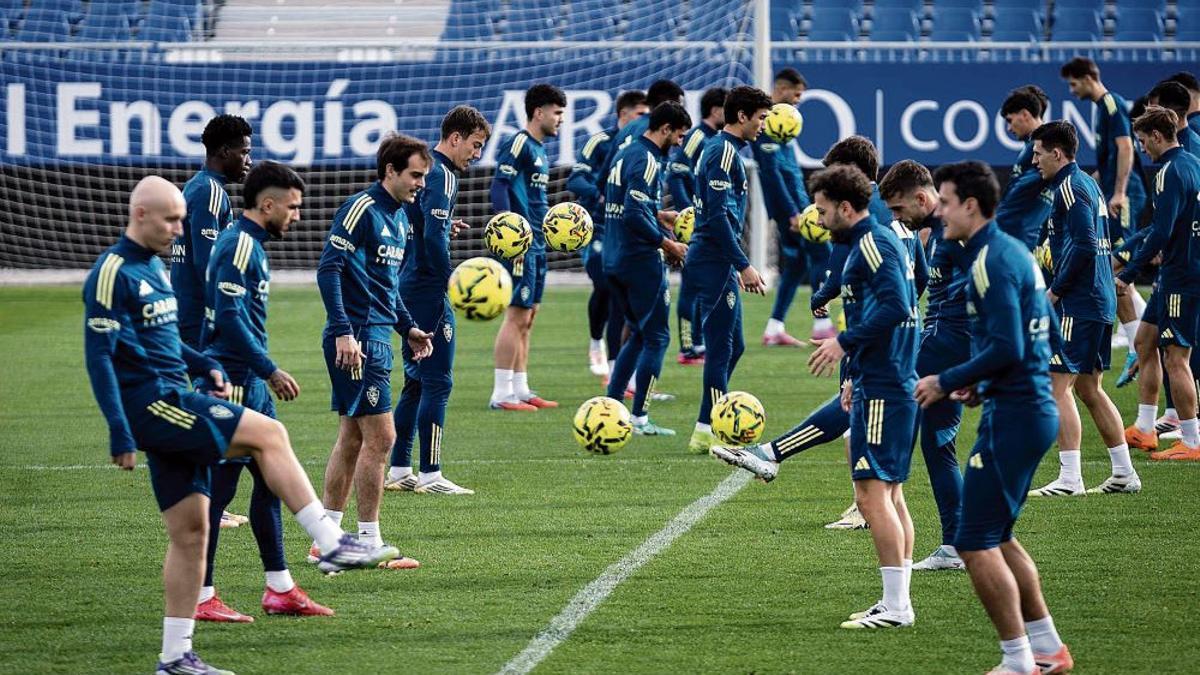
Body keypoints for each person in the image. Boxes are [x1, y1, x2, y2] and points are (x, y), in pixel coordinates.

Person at [84, 177, 399, 675]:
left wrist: (201, 362)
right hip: (154, 406)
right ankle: (331, 541)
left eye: (182, 220)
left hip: (183, 392)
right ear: (139, 214)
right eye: (170, 220)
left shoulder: (154, 267)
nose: (180, 230)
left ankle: (175, 657)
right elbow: (99, 355)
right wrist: (119, 430)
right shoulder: (113, 271)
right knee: (268, 437)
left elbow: (164, 342)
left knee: (191, 531)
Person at [717, 164, 921, 628]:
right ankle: (897, 601)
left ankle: (896, 606)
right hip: (879, 378)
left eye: (824, 211)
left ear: (846, 208)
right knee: (889, 495)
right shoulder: (870, 242)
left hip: (886, 386)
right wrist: (854, 372)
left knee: (872, 497)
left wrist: (843, 344)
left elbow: (897, 306)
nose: (820, 220)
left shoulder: (872, 243)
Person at [915, 161, 1073, 675]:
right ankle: (1047, 649)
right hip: (1026, 407)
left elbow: (1008, 345)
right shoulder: (1012, 252)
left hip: (1017, 415)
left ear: (971, 205)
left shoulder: (988, 261)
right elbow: (1042, 330)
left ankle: (1017, 659)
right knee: (998, 535)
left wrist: (945, 379)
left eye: (945, 201)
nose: (939, 211)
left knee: (972, 540)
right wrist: (982, 385)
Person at [194, 161, 331, 623]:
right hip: (230, 384)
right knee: (218, 492)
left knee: (270, 483)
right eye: (292, 207)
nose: (297, 215)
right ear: (267, 204)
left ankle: (280, 588)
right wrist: (269, 370)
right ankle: (201, 595)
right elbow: (229, 319)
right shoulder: (237, 244)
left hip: (249, 385)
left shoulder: (251, 244)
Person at [312, 133, 434, 567]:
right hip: (359, 339)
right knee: (382, 439)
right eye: (415, 175)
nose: (421, 184)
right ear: (390, 171)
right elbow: (328, 268)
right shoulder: (362, 208)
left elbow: (387, 287)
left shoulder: (400, 218)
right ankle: (366, 540)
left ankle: (326, 538)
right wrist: (343, 331)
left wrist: (409, 327)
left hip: (377, 335)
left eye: (424, 177)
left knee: (352, 438)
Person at [1026, 121, 1140, 496]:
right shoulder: (1087, 184)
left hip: (1079, 301)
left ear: (1057, 153)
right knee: (1090, 388)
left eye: (1038, 153)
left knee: (1056, 384)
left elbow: (1087, 245)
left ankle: (1070, 478)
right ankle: (1124, 472)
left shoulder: (1070, 187)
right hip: (1098, 298)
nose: (1034, 160)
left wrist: (1056, 291)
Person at [386, 106, 491, 495]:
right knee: (438, 381)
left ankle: (399, 469)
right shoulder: (442, 174)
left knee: (416, 382)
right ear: (456, 138)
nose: (476, 154)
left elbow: (422, 225)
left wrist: (446, 226)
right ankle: (431, 475)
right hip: (427, 289)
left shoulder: (425, 172)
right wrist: (452, 280)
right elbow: (430, 235)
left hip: (408, 283)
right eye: (475, 145)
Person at [879, 160, 972, 572]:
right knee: (938, 446)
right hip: (943, 342)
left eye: (899, 209)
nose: (897, 218)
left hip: (948, 343)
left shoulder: (955, 231)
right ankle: (956, 545)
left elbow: (985, 286)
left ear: (921, 197)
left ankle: (776, 451)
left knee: (877, 389)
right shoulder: (932, 232)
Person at [170, 114, 253, 529]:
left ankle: (207, 503)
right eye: (244, 152)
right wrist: (223, 314)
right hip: (198, 318)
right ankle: (203, 504)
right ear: (224, 152)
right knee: (211, 407)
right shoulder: (210, 192)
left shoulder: (201, 187)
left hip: (191, 314)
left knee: (211, 406)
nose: (248, 160)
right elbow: (208, 264)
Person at [683, 85, 772, 454]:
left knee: (735, 347)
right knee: (721, 349)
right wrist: (743, 264)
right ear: (742, 116)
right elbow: (718, 217)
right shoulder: (721, 151)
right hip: (712, 258)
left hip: (716, 257)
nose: (764, 125)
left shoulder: (727, 150)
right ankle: (711, 431)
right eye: (761, 118)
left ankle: (707, 424)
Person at [603, 102, 693, 436]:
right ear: (665, 128)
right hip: (639, 261)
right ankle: (639, 417)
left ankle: (611, 408)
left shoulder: (626, 153)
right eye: (679, 135)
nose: (680, 143)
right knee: (657, 337)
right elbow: (632, 214)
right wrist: (668, 244)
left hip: (613, 257)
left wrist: (660, 215)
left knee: (638, 333)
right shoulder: (647, 159)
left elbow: (626, 204)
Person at [1119, 106, 1200, 462]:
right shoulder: (1194, 163)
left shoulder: (1167, 172)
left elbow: (1161, 231)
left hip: (1181, 275)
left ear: (1156, 136)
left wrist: (1128, 273)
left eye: (1142, 141)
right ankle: (1144, 428)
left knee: (1176, 359)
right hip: (1178, 273)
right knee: (1144, 340)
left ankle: (1192, 441)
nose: (1141, 148)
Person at [489, 84, 567, 411]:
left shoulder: (540, 150)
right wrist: (512, 233)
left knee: (528, 316)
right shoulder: (519, 143)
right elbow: (499, 186)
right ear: (538, 112)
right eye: (557, 112)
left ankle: (520, 388)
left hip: (538, 243)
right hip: (521, 244)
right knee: (516, 315)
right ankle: (500, 393)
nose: (561, 119)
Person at [568, 90, 649, 378]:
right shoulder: (600, 142)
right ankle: (596, 342)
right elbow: (575, 179)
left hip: (625, 231)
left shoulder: (643, 148)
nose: (646, 120)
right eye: (641, 114)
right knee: (605, 284)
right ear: (623, 114)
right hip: (596, 228)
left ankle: (617, 368)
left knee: (620, 295)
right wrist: (600, 194)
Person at [753, 68, 834, 346]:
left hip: (796, 204)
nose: (799, 100)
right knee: (823, 253)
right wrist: (792, 213)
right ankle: (822, 325)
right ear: (781, 89)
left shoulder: (784, 120)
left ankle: (774, 328)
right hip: (790, 209)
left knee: (797, 264)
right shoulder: (767, 122)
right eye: (796, 94)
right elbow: (772, 173)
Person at [668, 86, 726, 365]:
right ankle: (687, 347)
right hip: (694, 224)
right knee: (691, 286)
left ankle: (699, 343)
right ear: (715, 110)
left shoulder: (716, 140)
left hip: (706, 221)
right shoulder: (697, 137)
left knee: (704, 284)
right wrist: (686, 211)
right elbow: (676, 173)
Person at [995, 85, 1054, 251]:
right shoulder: (1033, 148)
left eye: (1010, 120)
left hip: (1021, 243)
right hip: (1025, 241)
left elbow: (1017, 197)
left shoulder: (1043, 148)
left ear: (1025, 114)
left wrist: (990, 225)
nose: (1008, 128)